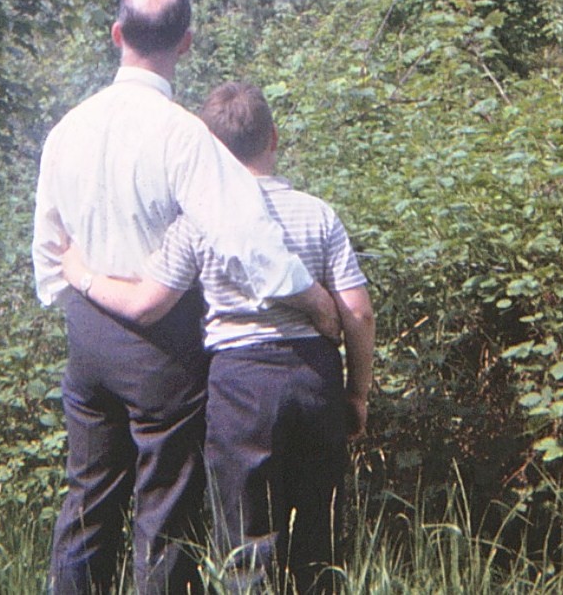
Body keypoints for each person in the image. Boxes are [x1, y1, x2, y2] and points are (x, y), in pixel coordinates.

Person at [32, 0, 340, 595]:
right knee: (164, 509)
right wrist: (311, 299)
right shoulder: (181, 134)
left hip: (88, 333)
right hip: (162, 340)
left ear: (118, 35)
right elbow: (241, 234)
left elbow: (49, 246)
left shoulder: (68, 127)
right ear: (187, 42)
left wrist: (75, 291)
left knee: (86, 501)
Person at [61, 81, 375, 594]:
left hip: (240, 383)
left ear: (206, 146)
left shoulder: (198, 222)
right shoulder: (319, 214)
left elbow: (146, 303)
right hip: (315, 376)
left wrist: (80, 272)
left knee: (247, 545)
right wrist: (357, 393)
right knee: (318, 538)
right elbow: (357, 313)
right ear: (274, 136)